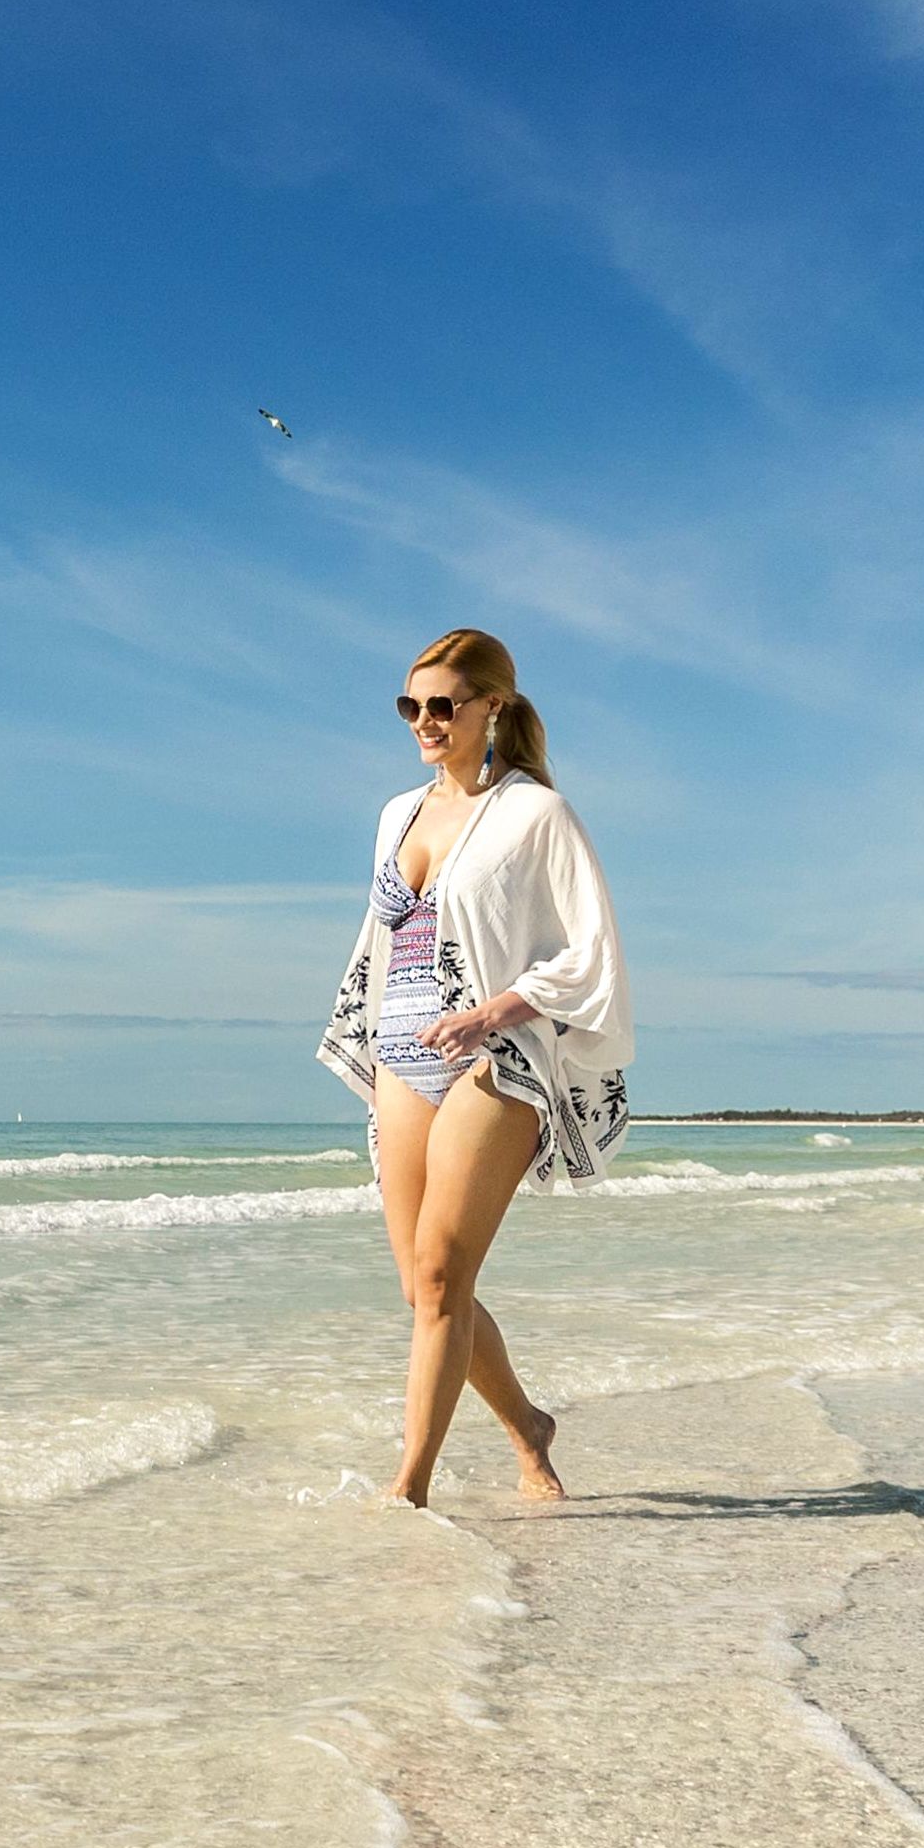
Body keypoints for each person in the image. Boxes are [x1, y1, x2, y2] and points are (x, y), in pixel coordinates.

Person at [313, 628, 630, 1507]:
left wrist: (499, 1009)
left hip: (495, 1057)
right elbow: (383, 944)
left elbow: (590, 945)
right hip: (401, 1053)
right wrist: (375, 1043)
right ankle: (527, 1428)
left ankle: (406, 1487)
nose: (424, 720)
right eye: (410, 705)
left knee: (447, 1273)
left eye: (442, 705)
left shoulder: (538, 814)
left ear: (493, 705)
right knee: (422, 1288)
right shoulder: (396, 812)